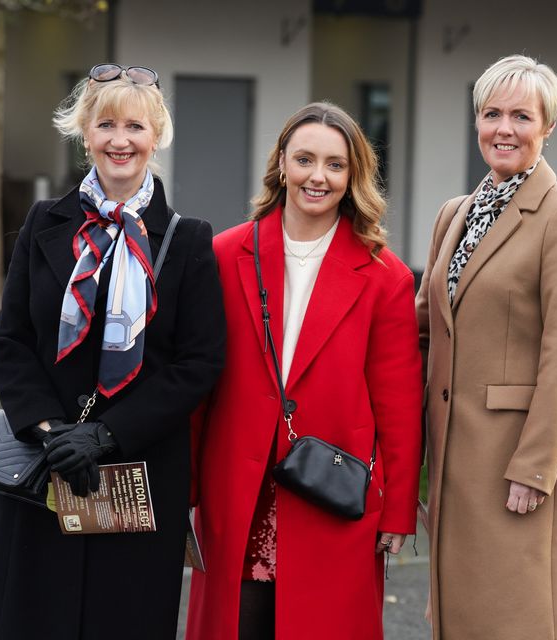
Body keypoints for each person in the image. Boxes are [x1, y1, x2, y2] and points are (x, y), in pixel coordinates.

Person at [0, 63, 226, 640]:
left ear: (154, 136)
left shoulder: (187, 240)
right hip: (46, 468)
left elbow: (199, 363)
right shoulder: (43, 223)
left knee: (123, 620)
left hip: (139, 471)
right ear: (84, 132)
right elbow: (9, 336)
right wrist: (49, 431)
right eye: (105, 124)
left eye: (134, 126)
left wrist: (105, 435)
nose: (119, 140)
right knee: (32, 618)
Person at [185, 102, 423, 640]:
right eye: (305, 160)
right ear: (282, 166)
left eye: (335, 165)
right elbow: (198, 385)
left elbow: (401, 404)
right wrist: (187, 487)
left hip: (332, 490)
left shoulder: (385, 276)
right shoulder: (224, 254)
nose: (318, 176)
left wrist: (398, 511)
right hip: (237, 487)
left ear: (352, 176)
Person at [416, 54, 557, 640]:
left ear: (548, 127)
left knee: (521, 618)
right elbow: (424, 328)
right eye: (492, 113)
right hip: (457, 460)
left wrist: (534, 468)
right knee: (463, 618)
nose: (504, 128)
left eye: (521, 116)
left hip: (518, 466)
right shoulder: (456, 213)